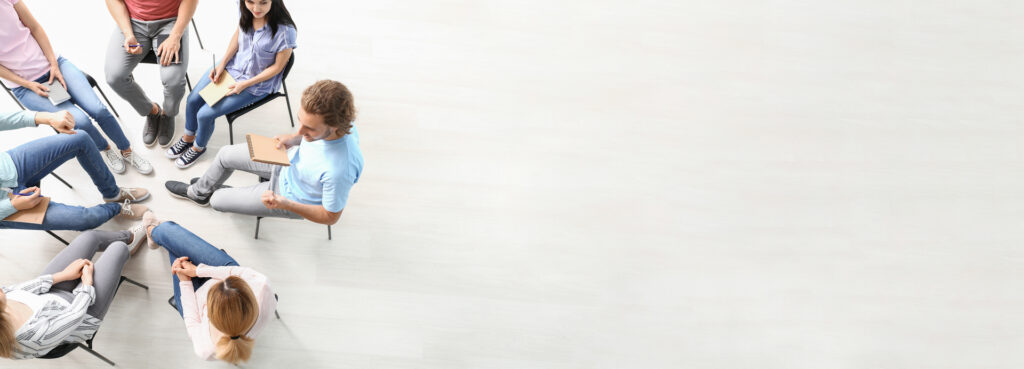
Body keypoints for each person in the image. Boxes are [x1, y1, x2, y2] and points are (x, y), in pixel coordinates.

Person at [165, 80, 363, 226]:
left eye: (309, 129)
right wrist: (294, 139)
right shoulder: (339, 122)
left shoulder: (340, 170)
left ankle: (214, 191)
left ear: (336, 126)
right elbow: (304, 134)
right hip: (288, 160)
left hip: (289, 195)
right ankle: (198, 193)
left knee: (217, 201)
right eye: (299, 121)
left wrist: (286, 205)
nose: (301, 130)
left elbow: (330, 217)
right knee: (225, 154)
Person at [0, 0, 152, 174]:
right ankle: (106, 149)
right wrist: (27, 84)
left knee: (98, 110)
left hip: (55, 64)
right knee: (80, 121)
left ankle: (127, 150)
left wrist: (54, 65)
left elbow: (34, 27)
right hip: (25, 86)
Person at [167, 0, 297, 168]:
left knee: (204, 115)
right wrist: (221, 64)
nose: (256, 9)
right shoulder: (244, 9)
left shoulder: (286, 31)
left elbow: (278, 67)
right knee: (192, 100)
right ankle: (188, 137)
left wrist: (244, 84)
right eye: (250, 2)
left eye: (263, 3)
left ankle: (198, 147)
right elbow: (238, 35)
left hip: (255, 83)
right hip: (232, 66)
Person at [142, 212, 276, 364]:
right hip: (219, 271)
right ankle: (155, 233)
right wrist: (197, 271)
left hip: (193, 301)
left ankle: (152, 232)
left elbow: (192, 318)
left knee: (177, 255)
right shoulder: (262, 285)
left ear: (209, 311)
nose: (214, 282)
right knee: (171, 236)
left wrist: (184, 282)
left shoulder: (205, 348)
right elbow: (237, 272)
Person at [0, 228, 146, 359]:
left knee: (90, 237)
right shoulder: (31, 336)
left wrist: (63, 275)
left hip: (50, 295)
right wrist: (86, 284)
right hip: (83, 314)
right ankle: (127, 248)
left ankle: (130, 236)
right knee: (118, 248)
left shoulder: (2, 295)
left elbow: (19, 290)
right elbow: (75, 315)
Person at [1, 110, 150, 231]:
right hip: (6, 208)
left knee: (80, 138)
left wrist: (47, 117)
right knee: (87, 219)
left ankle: (113, 194)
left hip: (8, 165)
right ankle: (116, 208)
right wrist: (12, 206)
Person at [104, 0, 198, 147]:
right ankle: (152, 111)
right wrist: (128, 33)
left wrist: (175, 35)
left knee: (172, 81)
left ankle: (168, 113)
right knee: (114, 77)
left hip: (170, 22)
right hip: (132, 22)